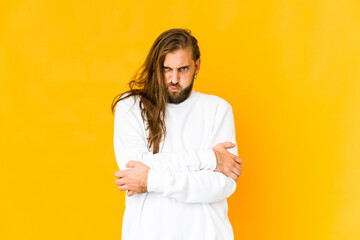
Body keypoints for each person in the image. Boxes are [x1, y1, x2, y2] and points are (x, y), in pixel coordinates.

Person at [112, 28, 243, 240]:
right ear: (156, 68)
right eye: (166, 69)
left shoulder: (218, 109)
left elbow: (221, 185)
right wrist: (209, 158)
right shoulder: (131, 107)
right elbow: (133, 167)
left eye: (183, 69)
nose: (174, 78)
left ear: (197, 66)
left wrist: (150, 180)